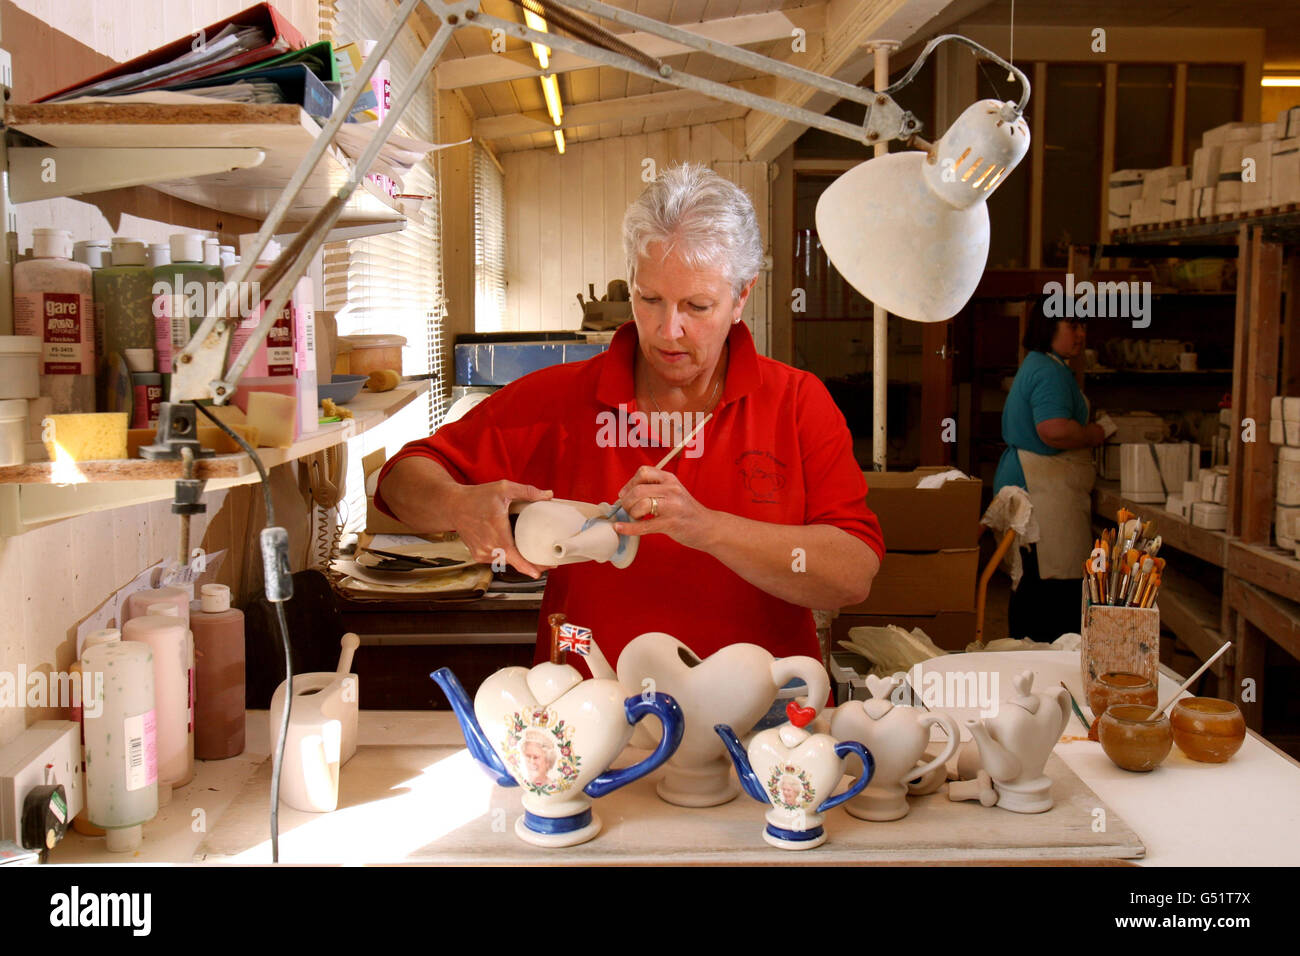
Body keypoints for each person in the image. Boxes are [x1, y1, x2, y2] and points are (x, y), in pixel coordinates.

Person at [375, 163, 884, 671]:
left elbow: (853, 573)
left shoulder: (796, 402)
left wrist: (706, 528)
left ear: (741, 297)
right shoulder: (563, 398)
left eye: (698, 306)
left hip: (761, 723)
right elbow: (400, 479)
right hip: (594, 715)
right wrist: (457, 503)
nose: (670, 331)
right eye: (650, 299)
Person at [993, 297, 1107, 642]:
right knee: (1049, 592)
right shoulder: (1048, 371)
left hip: (1037, 485)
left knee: (1034, 584)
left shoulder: (1042, 365)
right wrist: (1096, 433)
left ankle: (1033, 663)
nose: (1081, 334)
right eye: (1073, 325)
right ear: (1050, 327)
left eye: (1083, 326)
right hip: (1042, 493)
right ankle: (1044, 669)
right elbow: (1053, 429)